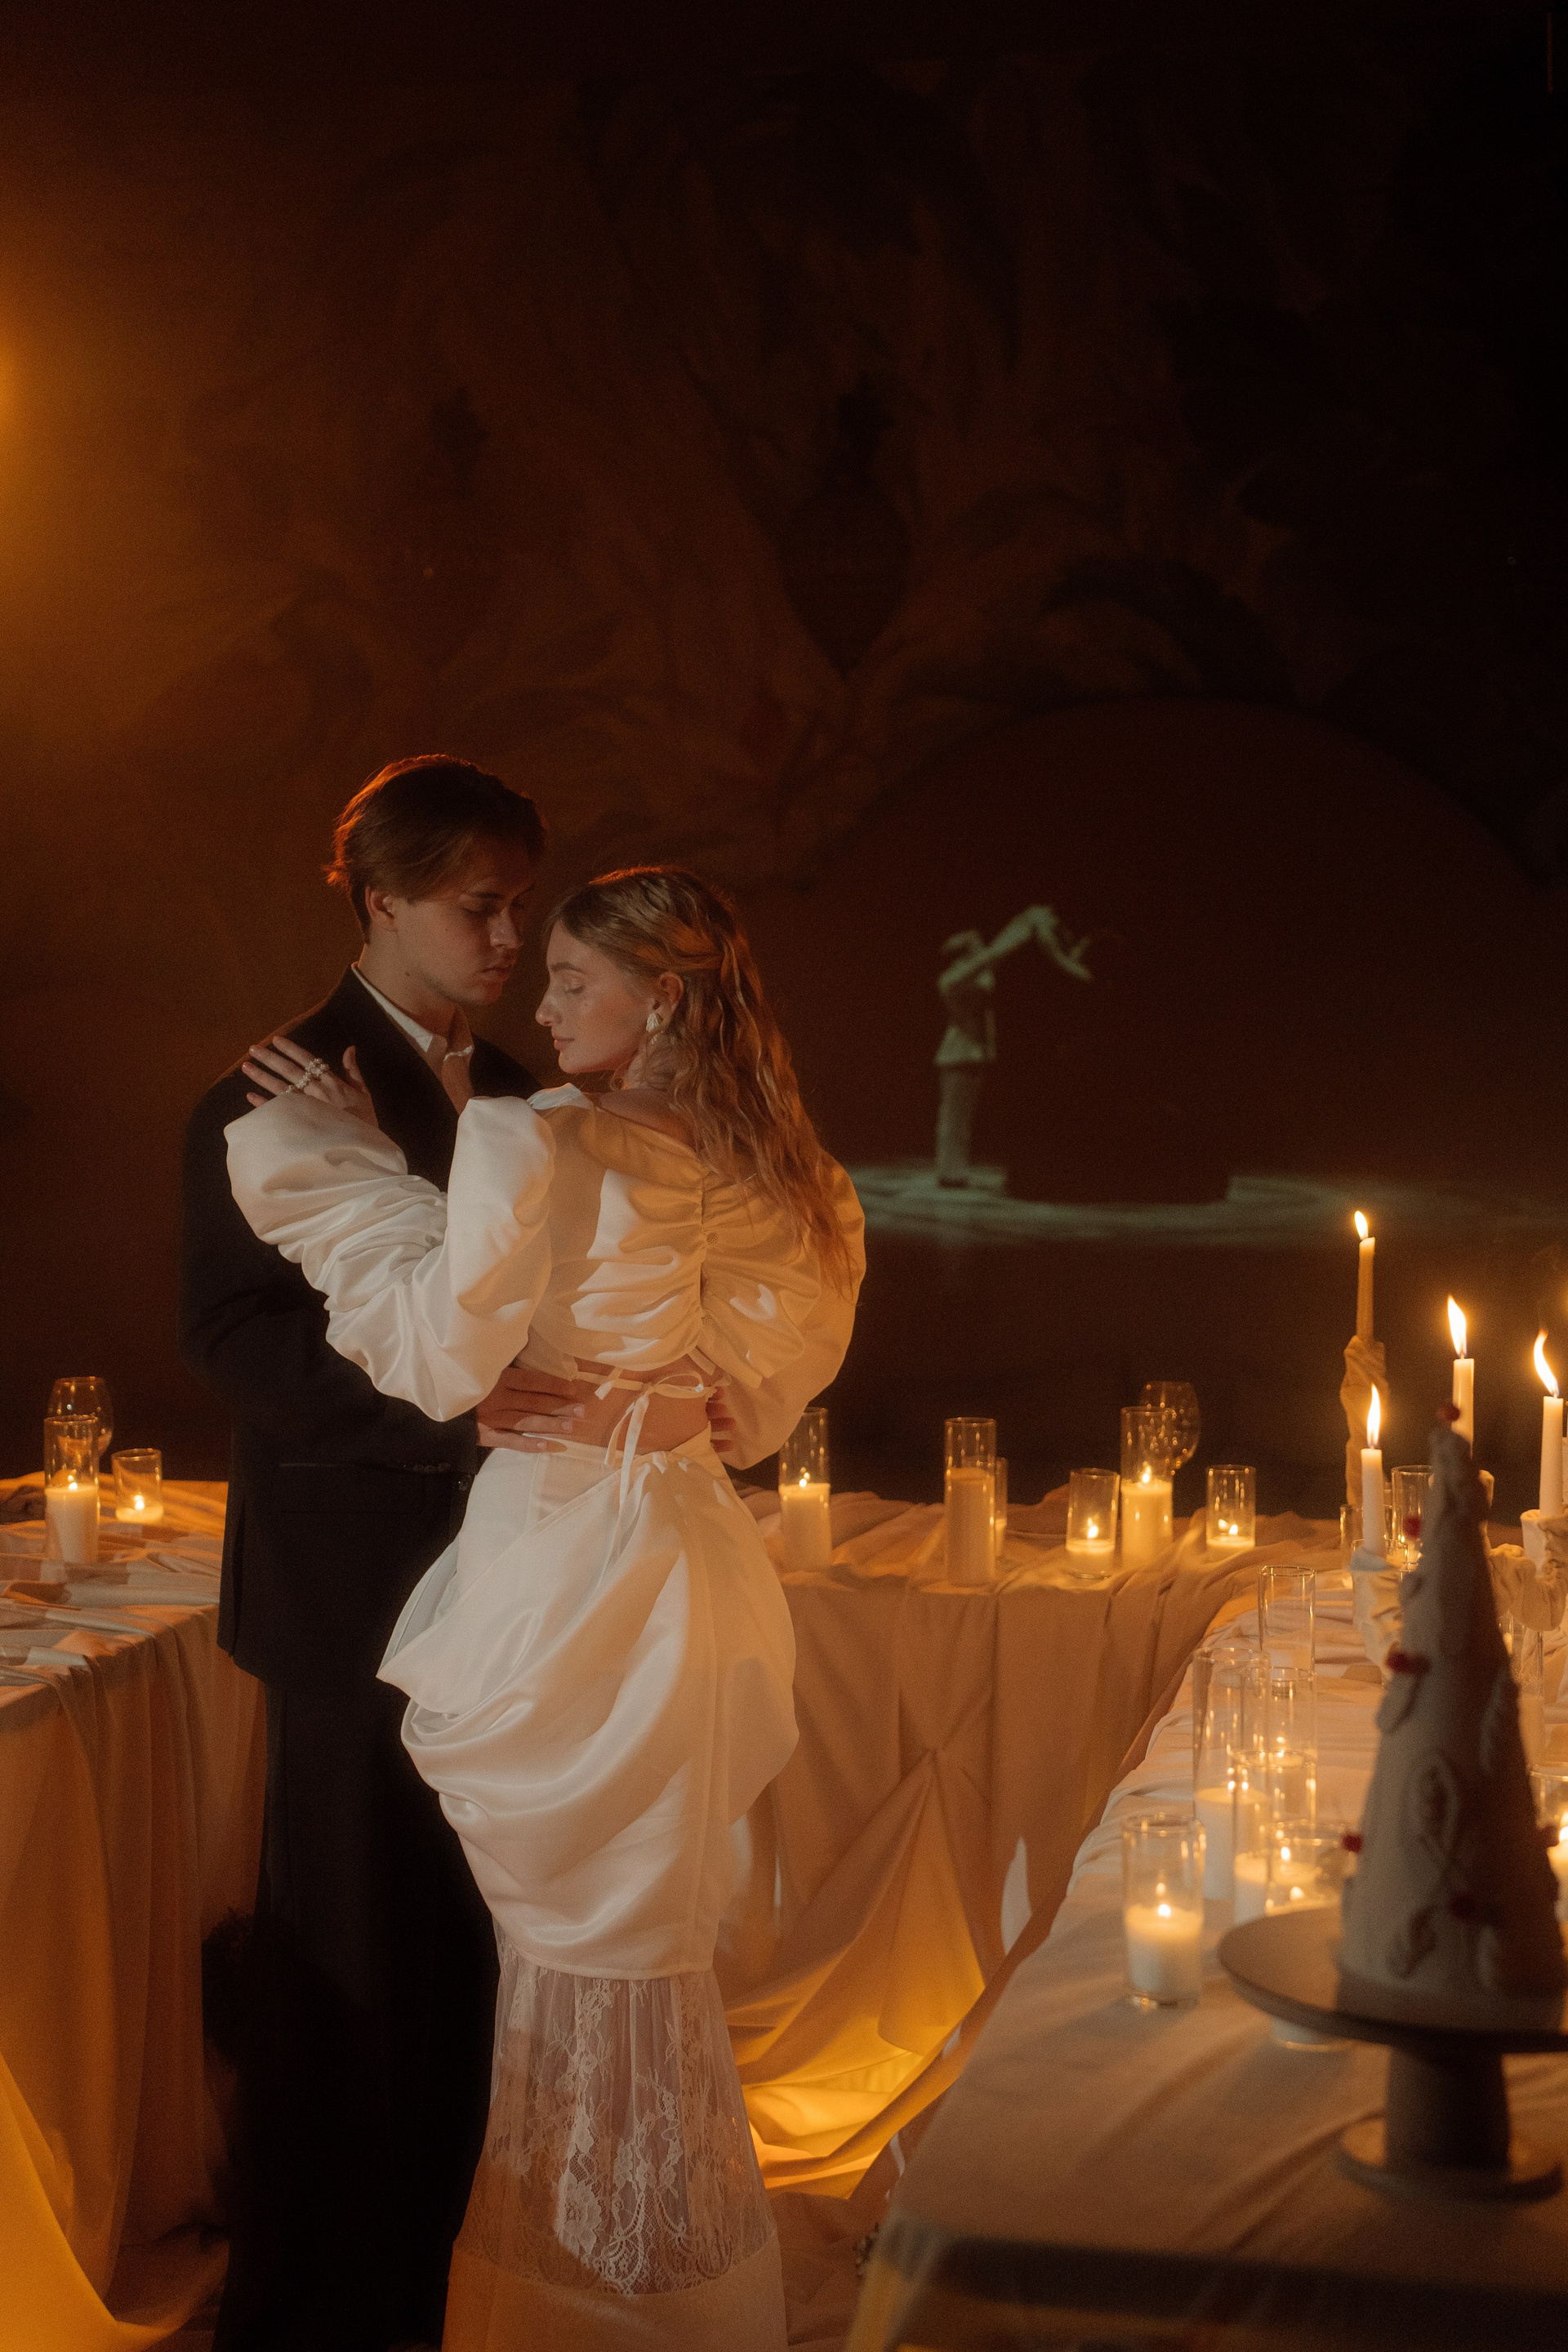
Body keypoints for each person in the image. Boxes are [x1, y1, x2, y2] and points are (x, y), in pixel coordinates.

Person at [226, 866, 864, 2350]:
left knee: (565, 1955)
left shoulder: (535, 1136)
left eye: (577, 978)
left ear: (664, 998)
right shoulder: (792, 1169)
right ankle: (666, 2285)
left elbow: (441, 1348)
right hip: (685, 1575)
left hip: (562, 1572)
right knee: (649, 1945)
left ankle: (574, 2299)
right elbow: (757, 1394)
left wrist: (351, 1161)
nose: (548, 999)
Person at [180, 755, 589, 2351]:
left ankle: (442, 2280)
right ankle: (319, 2307)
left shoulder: (520, 1091)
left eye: (520, 907)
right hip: (349, 1601)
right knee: (349, 1965)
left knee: (474, 1949)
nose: (510, 940)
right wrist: (458, 1410)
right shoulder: (269, 1093)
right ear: (381, 901)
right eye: (480, 906)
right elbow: (237, 1339)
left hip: (511, 1594)